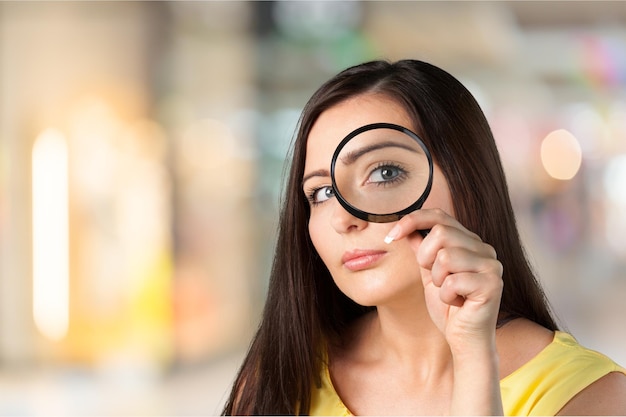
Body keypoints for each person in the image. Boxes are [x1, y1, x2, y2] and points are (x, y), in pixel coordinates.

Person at [222, 59, 626, 415]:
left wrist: (473, 362)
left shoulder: (589, 396)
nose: (344, 219)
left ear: (469, 184)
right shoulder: (281, 374)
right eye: (322, 192)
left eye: (384, 172)